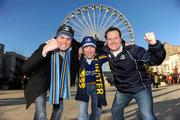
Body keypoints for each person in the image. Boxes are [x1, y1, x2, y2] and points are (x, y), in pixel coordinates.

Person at [101, 26, 166, 120]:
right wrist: (82, 49)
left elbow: (154, 60)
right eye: (109, 39)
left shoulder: (133, 50)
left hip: (140, 88)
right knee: (115, 112)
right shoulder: (105, 51)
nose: (113, 41)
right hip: (122, 90)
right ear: (106, 41)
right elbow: (94, 46)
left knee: (147, 116)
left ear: (120, 38)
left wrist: (154, 45)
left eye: (116, 38)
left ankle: (142, 113)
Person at [22, 24, 80, 120]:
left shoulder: (72, 51)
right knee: (41, 114)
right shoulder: (46, 45)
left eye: (68, 39)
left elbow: (89, 43)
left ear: (71, 41)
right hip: (40, 83)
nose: (64, 41)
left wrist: (105, 43)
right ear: (56, 37)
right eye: (61, 37)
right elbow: (25, 68)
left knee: (59, 109)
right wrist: (44, 51)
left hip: (58, 84)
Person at [75, 36, 107, 120]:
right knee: (82, 114)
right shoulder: (78, 58)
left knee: (97, 111)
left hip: (97, 87)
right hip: (83, 87)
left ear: (95, 48)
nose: (89, 50)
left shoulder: (100, 58)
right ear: (82, 49)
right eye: (86, 47)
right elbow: (72, 44)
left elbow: (107, 48)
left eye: (92, 47)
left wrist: (98, 42)